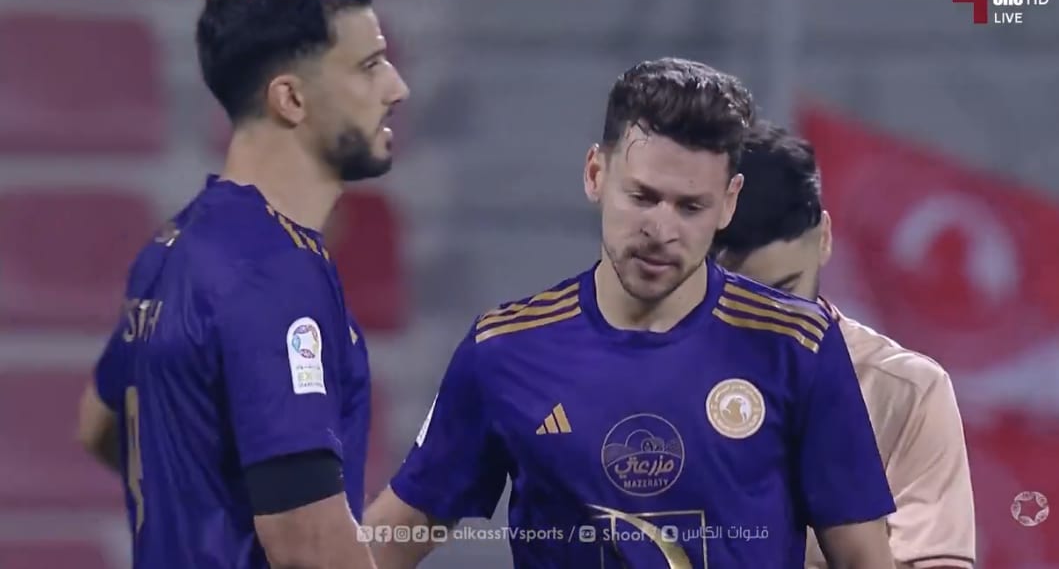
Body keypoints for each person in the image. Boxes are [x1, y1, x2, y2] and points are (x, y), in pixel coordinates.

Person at [363, 58, 896, 568]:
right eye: (642, 197)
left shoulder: (797, 344)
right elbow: (394, 535)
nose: (661, 230)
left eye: (690, 207)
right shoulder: (503, 351)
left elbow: (862, 559)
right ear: (595, 173)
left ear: (729, 202)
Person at [74, 0, 409, 567]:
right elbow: (308, 546)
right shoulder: (274, 272)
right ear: (291, 99)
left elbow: (98, 424)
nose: (397, 88)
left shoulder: (173, 246)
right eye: (370, 65)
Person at [710, 121, 976, 569]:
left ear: (824, 239)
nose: (768, 323)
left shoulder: (906, 393)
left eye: (785, 292)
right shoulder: (636, 378)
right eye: (741, 301)